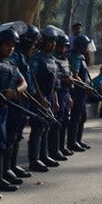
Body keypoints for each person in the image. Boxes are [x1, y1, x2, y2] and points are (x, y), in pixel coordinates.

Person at [0, 26, 27, 193]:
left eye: (13, 45)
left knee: (1, 145)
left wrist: (14, 92)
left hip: (4, 110)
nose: (11, 48)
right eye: (7, 45)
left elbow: (24, 83)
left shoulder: (12, 62)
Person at [6, 23, 40, 181]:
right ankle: (6, 168)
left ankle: (12, 165)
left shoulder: (24, 57)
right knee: (11, 135)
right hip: (16, 101)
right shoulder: (15, 57)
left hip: (24, 101)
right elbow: (14, 81)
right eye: (32, 41)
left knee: (18, 134)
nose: (34, 44)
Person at [28, 26, 60, 172]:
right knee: (38, 128)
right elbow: (33, 79)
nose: (53, 44)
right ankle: (34, 160)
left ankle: (43, 156)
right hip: (39, 98)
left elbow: (55, 82)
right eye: (50, 41)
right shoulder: (36, 59)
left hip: (50, 97)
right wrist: (40, 98)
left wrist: (56, 100)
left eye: (54, 42)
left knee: (46, 127)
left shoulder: (52, 60)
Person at [68, 34, 92, 150]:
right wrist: (85, 86)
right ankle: (72, 142)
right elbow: (75, 75)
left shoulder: (81, 56)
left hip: (83, 92)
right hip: (77, 91)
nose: (87, 47)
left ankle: (78, 140)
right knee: (76, 117)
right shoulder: (75, 57)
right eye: (86, 45)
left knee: (82, 117)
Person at [53, 33, 73, 158]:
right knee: (57, 122)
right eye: (61, 46)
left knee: (65, 121)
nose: (63, 49)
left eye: (65, 47)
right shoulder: (53, 59)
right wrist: (64, 81)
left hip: (65, 93)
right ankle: (55, 150)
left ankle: (62, 146)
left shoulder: (65, 60)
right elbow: (56, 79)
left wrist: (69, 96)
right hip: (58, 92)